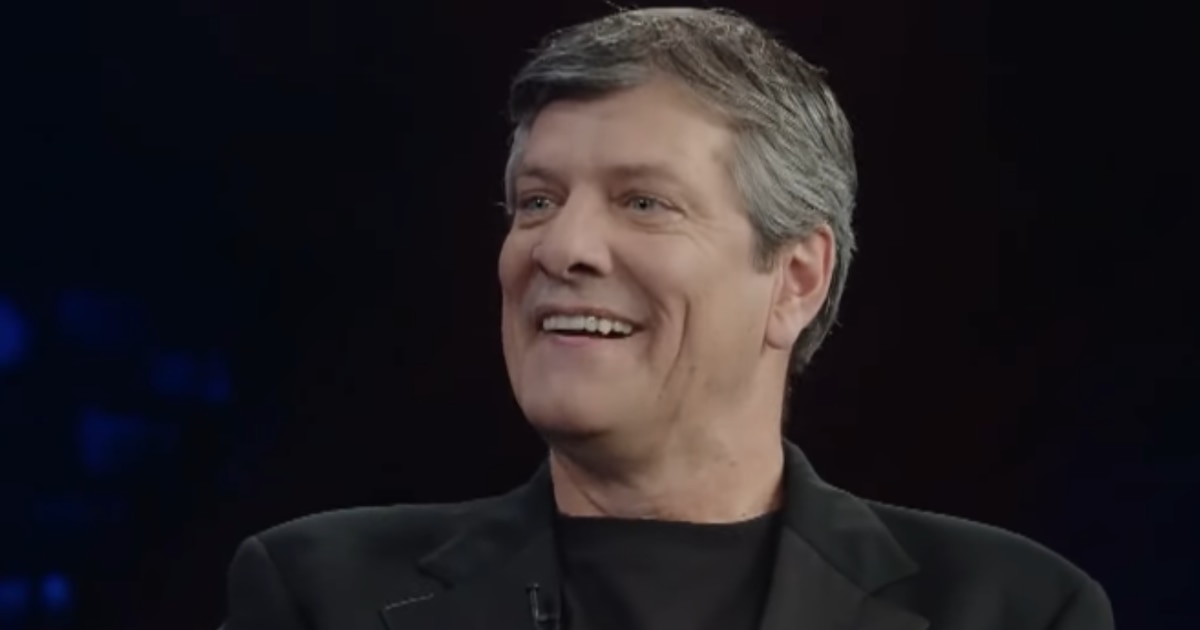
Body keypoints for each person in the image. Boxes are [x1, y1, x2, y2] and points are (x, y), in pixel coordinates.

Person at [223, 7, 1114, 630]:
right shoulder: (318, 594)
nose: (560, 246)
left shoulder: (1015, 609)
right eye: (537, 201)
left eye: (643, 203)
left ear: (796, 279)